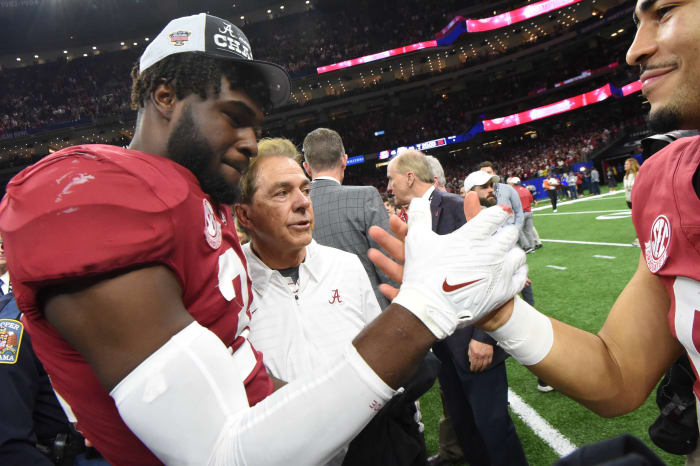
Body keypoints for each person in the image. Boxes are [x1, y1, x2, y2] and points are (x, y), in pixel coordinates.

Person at [0, 13, 527, 466]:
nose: (250, 141)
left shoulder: (198, 201)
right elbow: (219, 452)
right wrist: (422, 315)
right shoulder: (92, 193)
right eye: (233, 117)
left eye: (256, 124)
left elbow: (238, 381)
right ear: (165, 96)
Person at [368, 1, 700, 463]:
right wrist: (500, 312)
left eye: (663, 12)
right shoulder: (670, 182)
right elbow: (619, 373)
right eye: (635, 22)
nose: (635, 50)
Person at [236, 138, 434, 466]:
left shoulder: (344, 266)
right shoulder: (229, 284)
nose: (302, 203)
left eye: (305, 189)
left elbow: (384, 362)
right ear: (245, 215)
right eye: (282, 193)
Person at [387, 150, 528, 466]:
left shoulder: (456, 206)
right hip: (444, 349)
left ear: (410, 177)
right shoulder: (415, 218)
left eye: (391, 178)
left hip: (474, 342)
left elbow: (497, 268)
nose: (388, 187)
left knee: (493, 427)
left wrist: (484, 337)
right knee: (465, 429)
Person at [302, 127, 396, 309]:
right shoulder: (366, 196)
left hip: (319, 315)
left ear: (307, 168)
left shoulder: (295, 207)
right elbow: (389, 267)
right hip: (371, 313)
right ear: (344, 161)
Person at [479, 161, 524, 230]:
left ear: (494, 173)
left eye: (489, 172)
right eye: (483, 174)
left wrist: (516, 229)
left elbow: (518, 211)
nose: (486, 175)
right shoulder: (479, 193)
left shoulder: (508, 188)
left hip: (510, 231)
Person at [508, 177, 535, 253]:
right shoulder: (526, 189)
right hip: (529, 211)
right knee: (529, 231)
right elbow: (531, 200)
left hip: (520, 213)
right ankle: (532, 247)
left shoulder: (513, 191)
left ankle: (527, 246)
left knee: (519, 230)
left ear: (513, 183)